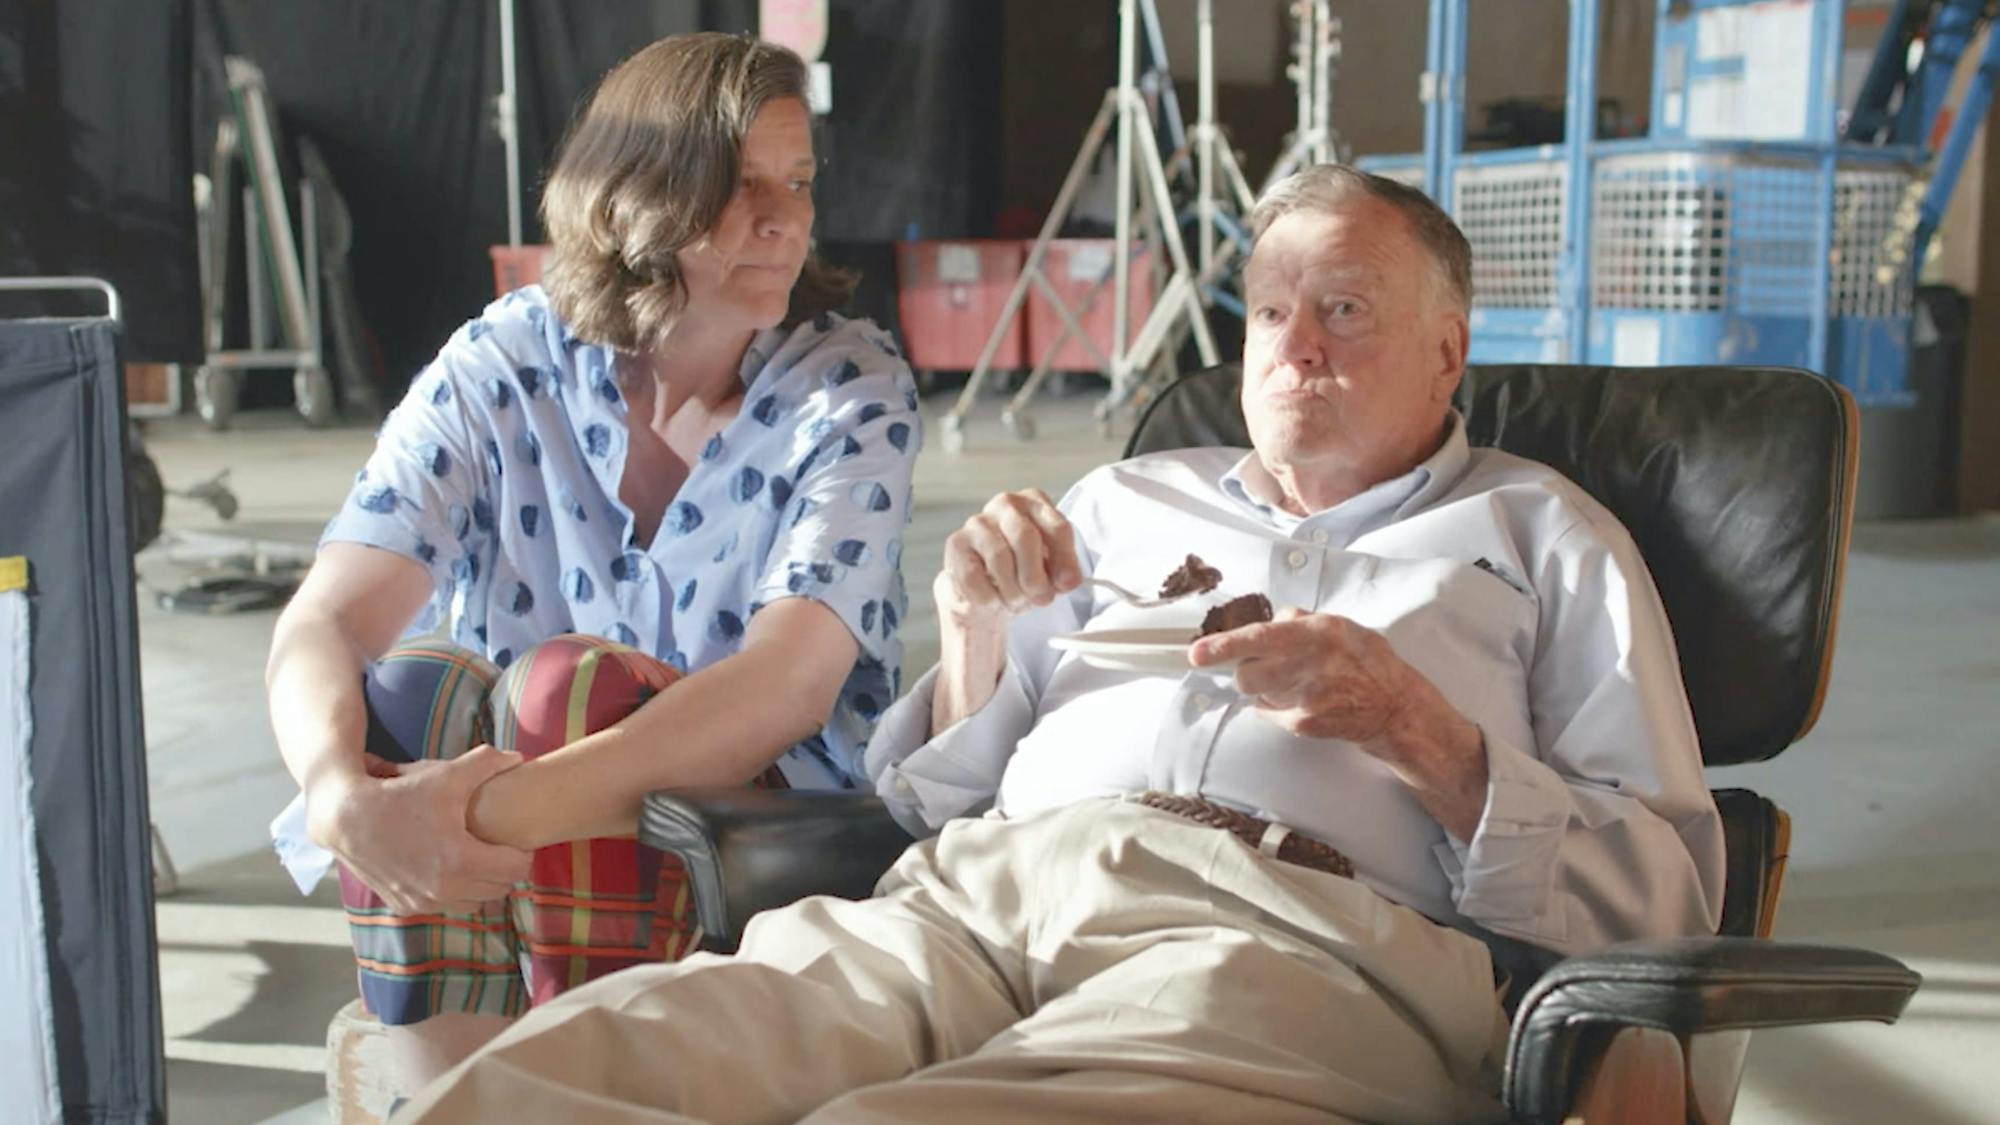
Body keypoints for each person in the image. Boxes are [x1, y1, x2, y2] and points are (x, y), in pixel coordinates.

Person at [397, 165, 1724, 1124]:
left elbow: (1664, 889)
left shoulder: (1544, 537)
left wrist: (1423, 735)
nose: (1295, 348)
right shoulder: (1124, 501)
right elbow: (932, 805)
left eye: (1347, 313)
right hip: (986, 894)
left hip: (1297, 938)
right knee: (557, 1076)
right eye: (1269, 312)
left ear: (1449, 349)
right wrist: (974, 639)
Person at [264, 33, 921, 1093]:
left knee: (567, 690)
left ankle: (573, 1092)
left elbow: (784, 687)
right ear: (635, 195)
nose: (784, 215)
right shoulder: (505, 360)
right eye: (740, 182)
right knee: (408, 691)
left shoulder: (847, 387)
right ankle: (445, 1092)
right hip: (516, 857)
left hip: (754, 829)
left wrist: (463, 820)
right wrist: (341, 798)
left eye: (796, 182)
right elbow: (324, 621)